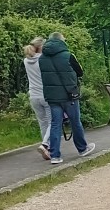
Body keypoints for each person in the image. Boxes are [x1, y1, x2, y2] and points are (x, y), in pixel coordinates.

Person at [39, 31, 95, 165]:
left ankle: (55, 156)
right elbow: (80, 72)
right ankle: (82, 148)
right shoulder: (68, 55)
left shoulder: (41, 58)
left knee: (55, 125)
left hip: (52, 97)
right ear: (61, 41)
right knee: (75, 122)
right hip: (69, 95)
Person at [23, 37, 51, 160]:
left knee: (42, 123)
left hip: (33, 95)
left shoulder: (26, 60)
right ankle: (45, 144)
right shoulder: (43, 59)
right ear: (41, 47)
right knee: (53, 121)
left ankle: (46, 146)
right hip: (45, 94)